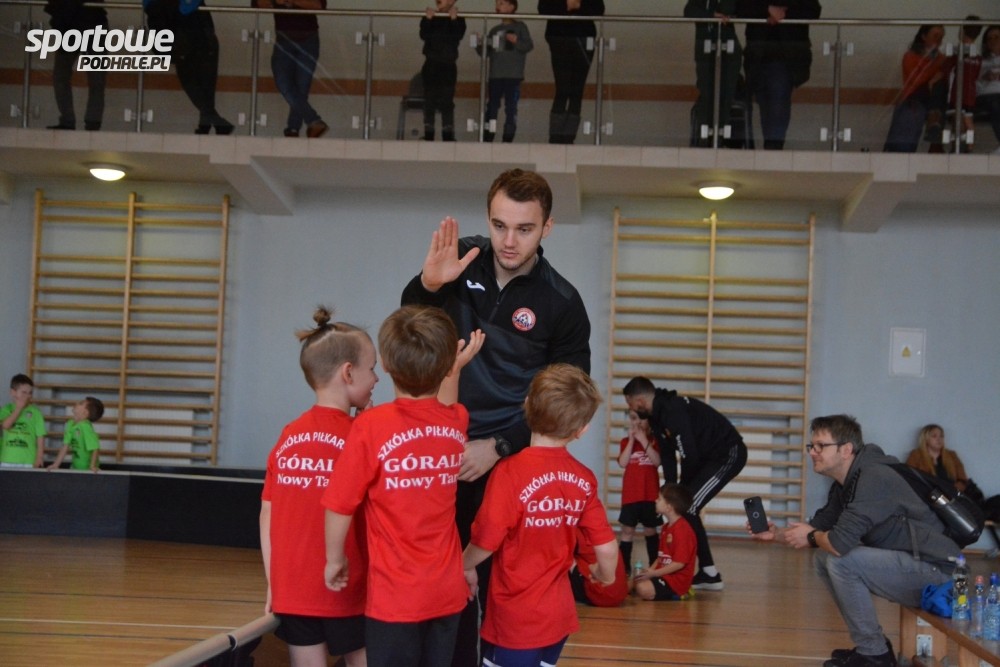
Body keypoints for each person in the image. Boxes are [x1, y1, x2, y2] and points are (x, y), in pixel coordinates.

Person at [400, 167, 590, 667]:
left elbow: (564, 401)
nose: (508, 241)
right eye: (499, 225)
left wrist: (499, 446)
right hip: (439, 449)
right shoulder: (461, 259)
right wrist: (427, 285)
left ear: (547, 227)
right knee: (435, 582)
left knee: (491, 586)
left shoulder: (563, 303)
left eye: (524, 229)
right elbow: (412, 331)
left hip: (506, 461)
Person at [322, 305, 484, 667]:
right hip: (445, 594)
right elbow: (445, 406)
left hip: (395, 600)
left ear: (386, 365)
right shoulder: (456, 421)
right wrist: (453, 369)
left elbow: (339, 504)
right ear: (445, 368)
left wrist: (334, 560)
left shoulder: (370, 427)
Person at [750, 415, 959, 667]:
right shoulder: (847, 483)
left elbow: (838, 543)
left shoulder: (874, 477)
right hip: (914, 564)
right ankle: (873, 646)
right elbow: (817, 529)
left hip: (939, 575)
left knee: (841, 560)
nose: (813, 452)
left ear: (846, 449)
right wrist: (775, 535)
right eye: (811, 446)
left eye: (820, 446)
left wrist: (812, 536)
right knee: (823, 558)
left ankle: (875, 654)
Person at [461, 363, 617, 667]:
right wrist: (605, 576)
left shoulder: (509, 472)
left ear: (527, 405)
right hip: (558, 618)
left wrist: (462, 565)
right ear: (581, 430)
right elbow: (607, 548)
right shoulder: (583, 478)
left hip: (516, 620)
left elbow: (486, 538)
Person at [260, 307, 374, 667]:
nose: (376, 379)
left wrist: (274, 581)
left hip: (292, 590)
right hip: (346, 588)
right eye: (372, 369)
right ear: (348, 373)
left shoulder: (289, 435)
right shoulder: (362, 438)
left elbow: (268, 512)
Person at [622, 376, 747, 591]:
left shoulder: (673, 410)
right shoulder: (656, 417)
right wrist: (670, 489)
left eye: (630, 403)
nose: (630, 408)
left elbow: (689, 454)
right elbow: (668, 456)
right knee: (685, 506)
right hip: (707, 459)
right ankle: (709, 573)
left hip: (727, 454)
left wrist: (680, 493)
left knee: (687, 506)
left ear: (640, 401)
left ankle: (709, 574)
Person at [736, 0, 822, 150]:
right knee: (765, 104)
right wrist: (767, 10)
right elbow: (740, 7)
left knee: (777, 102)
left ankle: (773, 148)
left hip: (785, 56)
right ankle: (772, 148)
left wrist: (781, 13)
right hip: (757, 55)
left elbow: (813, 10)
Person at [143, 0, 234, 134]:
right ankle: (213, 122)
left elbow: (151, 8)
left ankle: (208, 123)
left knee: (196, 84)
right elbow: (185, 8)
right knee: (201, 84)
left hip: (185, 41)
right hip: (196, 39)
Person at [253, 0, 329, 139]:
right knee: (283, 82)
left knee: (302, 86)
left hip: (309, 38)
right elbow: (256, 4)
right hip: (284, 38)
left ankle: (293, 129)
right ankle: (312, 121)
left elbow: (319, 5)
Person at [537, 0, 605, 144]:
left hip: (584, 39)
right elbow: (543, 8)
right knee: (562, 89)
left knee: (577, 91)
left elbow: (599, 8)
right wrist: (567, 5)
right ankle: (555, 137)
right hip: (559, 38)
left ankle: (568, 137)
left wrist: (579, 5)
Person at [883, 24, 951, 153]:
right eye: (935, 36)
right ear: (924, 36)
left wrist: (937, 77)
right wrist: (935, 73)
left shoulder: (942, 58)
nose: (938, 40)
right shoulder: (910, 56)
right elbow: (916, 80)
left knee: (940, 86)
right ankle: (934, 127)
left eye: (941, 37)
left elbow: (947, 79)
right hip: (914, 98)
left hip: (933, 99)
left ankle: (934, 126)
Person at [684, 0, 742, 148]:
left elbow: (737, 9)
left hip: (728, 49)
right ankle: (706, 139)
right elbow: (689, 11)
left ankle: (720, 138)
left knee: (726, 94)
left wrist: (722, 14)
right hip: (705, 49)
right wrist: (711, 15)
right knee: (707, 93)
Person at [43, 0, 107, 131]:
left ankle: (69, 120)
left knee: (62, 76)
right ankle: (92, 122)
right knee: (96, 78)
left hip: (70, 22)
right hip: (92, 19)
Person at [475, 0, 533, 143]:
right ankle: (488, 136)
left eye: (501, 3)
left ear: (511, 7)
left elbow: (528, 45)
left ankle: (508, 137)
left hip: (513, 75)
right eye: (497, 3)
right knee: (492, 106)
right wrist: (479, 43)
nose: (497, 6)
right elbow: (486, 53)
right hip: (495, 74)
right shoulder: (495, 29)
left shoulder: (520, 27)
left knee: (511, 107)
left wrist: (516, 41)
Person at [616, 408, 661, 576]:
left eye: (641, 419)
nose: (637, 422)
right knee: (627, 531)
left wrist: (643, 440)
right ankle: (624, 568)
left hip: (650, 495)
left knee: (650, 530)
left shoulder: (655, 440)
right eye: (633, 418)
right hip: (631, 495)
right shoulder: (625, 442)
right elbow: (622, 463)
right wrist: (631, 440)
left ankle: (654, 565)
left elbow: (657, 462)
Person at [633, 483, 697, 602]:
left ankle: (680, 593)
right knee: (632, 582)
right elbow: (660, 557)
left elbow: (679, 564)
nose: (655, 500)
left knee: (642, 589)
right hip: (662, 575)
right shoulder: (666, 527)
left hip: (676, 581)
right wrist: (649, 571)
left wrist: (654, 574)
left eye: (659, 498)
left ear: (668, 507)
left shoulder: (683, 530)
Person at [420, 0, 467, 141]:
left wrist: (453, 20)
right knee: (429, 99)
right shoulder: (431, 16)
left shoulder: (459, 19)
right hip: (431, 64)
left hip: (448, 65)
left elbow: (457, 36)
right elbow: (424, 35)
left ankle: (447, 134)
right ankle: (429, 133)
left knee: (447, 100)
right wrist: (428, 19)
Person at [947, 17, 983, 153]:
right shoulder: (978, 56)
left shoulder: (957, 52)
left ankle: (964, 147)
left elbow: (947, 69)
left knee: (960, 119)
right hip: (970, 93)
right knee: (967, 119)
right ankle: (967, 146)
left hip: (958, 93)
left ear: (962, 30)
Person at [568, 526, 628, 608]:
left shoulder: (572, 529)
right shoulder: (602, 528)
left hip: (600, 594)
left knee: (562, 555)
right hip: (619, 594)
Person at [905, 423, 969, 493]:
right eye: (934, 436)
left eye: (941, 436)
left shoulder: (951, 455)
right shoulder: (916, 455)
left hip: (951, 494)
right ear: (925, 438)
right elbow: (909, 477)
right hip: (926, 494)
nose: (939, 439)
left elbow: (962, 480)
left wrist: (953, 490)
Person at [0, 374, 46, 469]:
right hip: (7, 459)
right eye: (24, 392)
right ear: (13, 392)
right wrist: (18, 409)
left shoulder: (36, 413)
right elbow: (5, 425)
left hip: (28, 460)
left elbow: (40, 436)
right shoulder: (6, 409)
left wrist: (39, 457)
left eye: (30, 393)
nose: (27, 396)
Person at [47, 397, 104, 472]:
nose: (77, 403)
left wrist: (92, 466)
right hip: (75, 467)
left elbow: (95, 448)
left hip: (87, 469)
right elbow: (65, 446)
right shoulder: (70, 424)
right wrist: (56, 465)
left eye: (81, 403)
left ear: (85, 412)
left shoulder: (85, 427)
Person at [977, 25, 1000, 153]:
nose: (993, 41)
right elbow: (973, 86)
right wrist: (984, 77)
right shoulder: (981, 62)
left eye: (996, 37)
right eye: (989, 38)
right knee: (996, 102)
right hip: (987, 96)